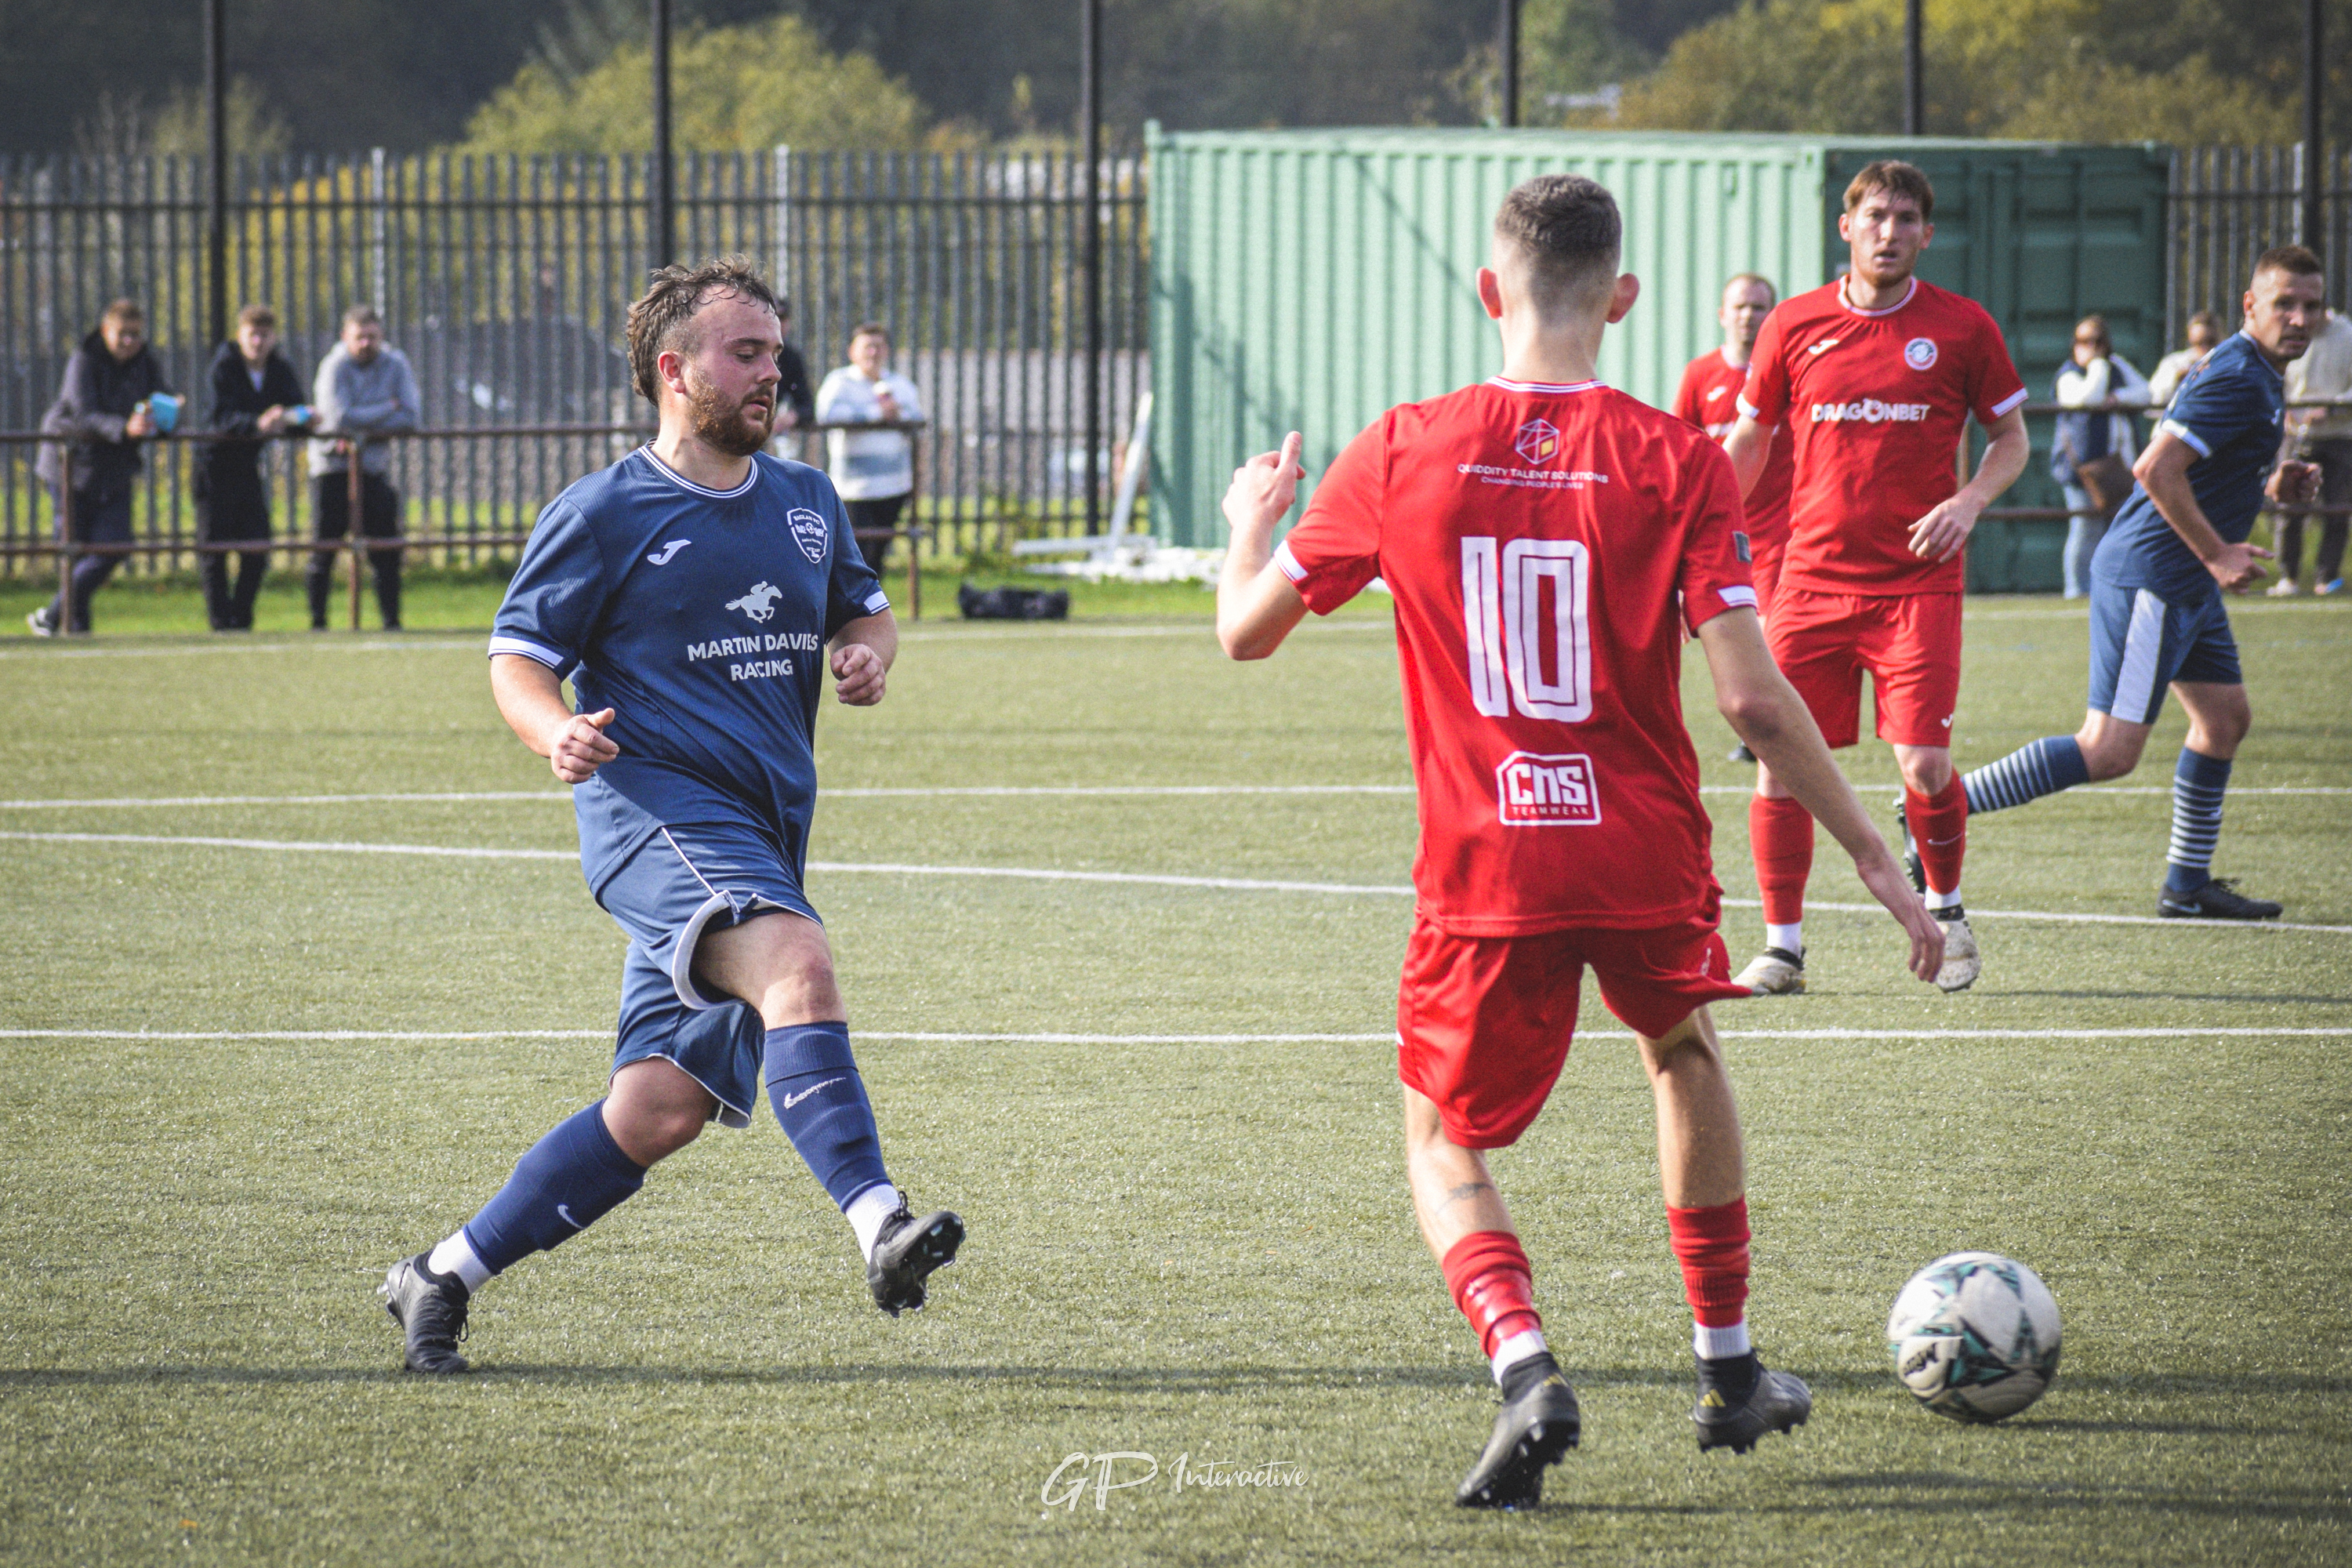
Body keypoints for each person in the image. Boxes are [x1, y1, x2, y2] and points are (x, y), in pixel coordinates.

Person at [1214, 175, 1943, 1509]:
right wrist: (1880, 866)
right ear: (1624, 299)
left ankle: (1524, 1364)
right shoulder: (1674, 457)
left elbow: (1244, 631)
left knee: (1442, 1135)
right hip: (1641, 845)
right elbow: (1749, 698)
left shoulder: (1403, 447)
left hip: (1489, 860)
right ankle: (1727, 1369)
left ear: (1491, 291)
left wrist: (1247, 525)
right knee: (1681, 1048)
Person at [379, 256, 963, 1375]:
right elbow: (517, 657)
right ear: (671, 369)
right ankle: (879, 1225)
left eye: (776, 355)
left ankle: (439, 1275)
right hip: (656, 818)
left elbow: (870, 613)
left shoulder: (805, 500)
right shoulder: (605, 512)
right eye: (744, 354)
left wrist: (864, 657)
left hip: (762, 823)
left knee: (656, 1111)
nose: (770, 375)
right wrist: (553, 729)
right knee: (798, 963)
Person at [1721, 160, 2031, 996]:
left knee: (1925, 763)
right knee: (1775, 765)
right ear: (1846, 227)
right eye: (1874, 216)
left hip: (1916, 587)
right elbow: (1748, 443)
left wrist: (1970, 500)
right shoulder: (1793, 324)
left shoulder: (1963, 328)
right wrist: (1697, 518)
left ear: (1927, 234)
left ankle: (1948, 902)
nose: (1888, 232)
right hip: (1811, 583)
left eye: (1905, 219)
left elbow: (2012, 439)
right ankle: (1782, 947)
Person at [1958, 247, 2325, 921]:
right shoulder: (2239, 375)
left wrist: (2271, 484)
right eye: (2284, 304)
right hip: (2154, 575)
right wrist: (2217, 554)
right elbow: (2156, 469)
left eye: (2311, 305)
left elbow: (2203, 466)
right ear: (2251, 306)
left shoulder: (2261, 373)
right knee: (2109, 750)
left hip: (2185, 577)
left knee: (2223, 721)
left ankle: (2186, 887)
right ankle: (1940, 807)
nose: (2299, 318)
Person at [1673, 273, 1795, 762]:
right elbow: (1682, 448)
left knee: (1778, 631)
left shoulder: (1784, 375)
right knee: (1734, 633)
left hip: (1785, 529)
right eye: (1741, 307)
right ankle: (1759, 720)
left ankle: (1766, 729)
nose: (1750, 317)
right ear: (1723, 315)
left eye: (1760, 307)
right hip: (1724, 532)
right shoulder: (1700, 375)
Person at [28, 299, 172, 636]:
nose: (129, 342)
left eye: (135, 334)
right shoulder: (84, 359)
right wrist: (126, 428)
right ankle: (76, 632)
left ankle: (51, 615)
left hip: (114, 469)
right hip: (70, 467)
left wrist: (167, 414)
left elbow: (161, 398)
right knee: (76, 551)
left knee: (114, 546)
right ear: (106, 331)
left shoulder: (145, 362)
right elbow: (83, 414)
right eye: (122, 334)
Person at [306, 305, 419, 630]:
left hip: (372, 469)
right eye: (360, 337)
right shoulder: (334, 366)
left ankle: (392, 622)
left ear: (381, 335)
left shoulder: (395, 363)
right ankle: (318, 624)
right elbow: (337, 418)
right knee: (324, 548)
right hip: (331, 468)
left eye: (372, 336)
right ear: (345, 337)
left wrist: (359, 431)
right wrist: (386, 409)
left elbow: (411, 418)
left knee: (386, 549)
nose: (366, 343)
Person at [197, 304, 307, 631]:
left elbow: (293, 405)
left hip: (247, 468)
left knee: (258, 545)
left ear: (274, 338)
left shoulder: (278, 368)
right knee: (214, 550)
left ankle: (242, 617)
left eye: (264, 335)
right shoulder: (224, 367)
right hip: (213, 467)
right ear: (240, 335)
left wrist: (301, 418)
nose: (258, 342)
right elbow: (219, 418)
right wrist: (257, 423)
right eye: (252, 334)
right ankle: (220, 621)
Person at [2050, 314, 2151, 600]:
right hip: (2083, 471)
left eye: (2098, 342)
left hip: (2119, 468)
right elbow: (2089, 399)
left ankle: (2111, 587)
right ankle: (2076, 590)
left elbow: (2147, 392)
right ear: (2074, 345)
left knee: (2120, 529)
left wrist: (2118, 398)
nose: (2091, 348)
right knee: (2085, 528)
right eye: (2084, 342)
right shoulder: (2068, 374)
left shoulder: (2117, 366)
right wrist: (2096, 365)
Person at [816, 322, 924, 572]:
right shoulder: (840, 382)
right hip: (855, 487)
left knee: (877, 556)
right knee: (855, 555)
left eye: (879, 346)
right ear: (852, 351)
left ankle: (871, 609)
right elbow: (827, 415)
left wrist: (898, 415)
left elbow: (917, 417)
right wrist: (876, 413)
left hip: (894, 485)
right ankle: (849, 608)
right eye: (867, 347)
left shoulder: (900, 384)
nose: (873, 353)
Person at [2272, 302, 2352, 596]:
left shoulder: (2348, 335)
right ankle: (2288, 578)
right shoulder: (2289, 334)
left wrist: (2331, 408)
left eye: (2310, 311)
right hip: (2297, 435)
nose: (2301, 320)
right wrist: (2285, 410)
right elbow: (2277, 377)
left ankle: (2326, 578)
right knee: (2289, 505)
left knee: (2336, 508)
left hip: (2340, 436)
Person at [2147, 312, 2223, 412]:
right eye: (2198, 343)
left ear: (2222, 339)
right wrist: (2177, 378)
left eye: (2210, 342)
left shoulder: (2230, 364)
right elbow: (2153, 401)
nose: (2205, 349)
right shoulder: (2174, 364)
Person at [775, 296, 817, 435]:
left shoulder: (790, 357)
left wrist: (791, 417)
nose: (777, 323)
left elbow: (807, 407)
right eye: (772, 317)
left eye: (782, 318)